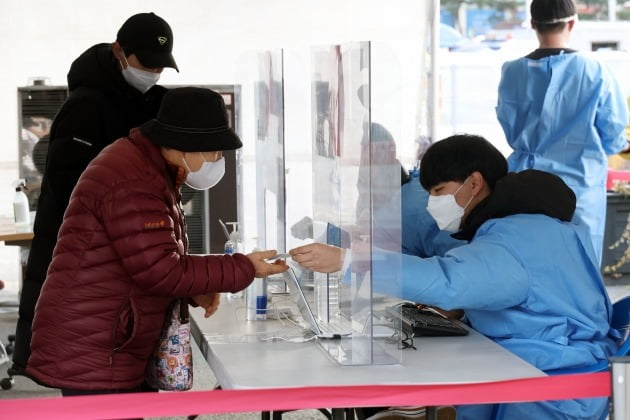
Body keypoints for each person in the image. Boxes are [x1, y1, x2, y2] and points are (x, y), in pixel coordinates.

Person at [291, 134, 619, 420]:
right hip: (541, 363)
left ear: (474, 183)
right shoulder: (529, 223)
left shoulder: (515, 236)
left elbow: (449, 280)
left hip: (552, 385)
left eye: (439, 191)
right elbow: (533, 299)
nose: (433, 204)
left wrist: (352, 261)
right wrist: (466, 310)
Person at [26, 87, 288, 395]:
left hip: (108, 335)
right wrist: (243, 267)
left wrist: (196, 289)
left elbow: (149, 257)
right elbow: (161, 270)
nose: (218, 160)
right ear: (185, 144)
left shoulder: (146, 167)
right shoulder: (132, 180)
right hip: (95, 344)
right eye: (215, 152)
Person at [10, 12, 179, 377]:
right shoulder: (85, 107)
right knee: (89, 369)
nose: (153, 72)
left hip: (127, 254)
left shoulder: (151, 103)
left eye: (160, 66)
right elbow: (74, 190)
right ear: (119, 51)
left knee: (124, 369)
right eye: (146, 63)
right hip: (87, 257)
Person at [496, 0, 629, 265]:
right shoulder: (595, 71)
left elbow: (509, 126)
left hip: (525, 183)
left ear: (533, 24)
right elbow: (613, 135)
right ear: (572, 22)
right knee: (580, 266)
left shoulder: (511, 71)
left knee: (531, 263)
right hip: (579, 186)